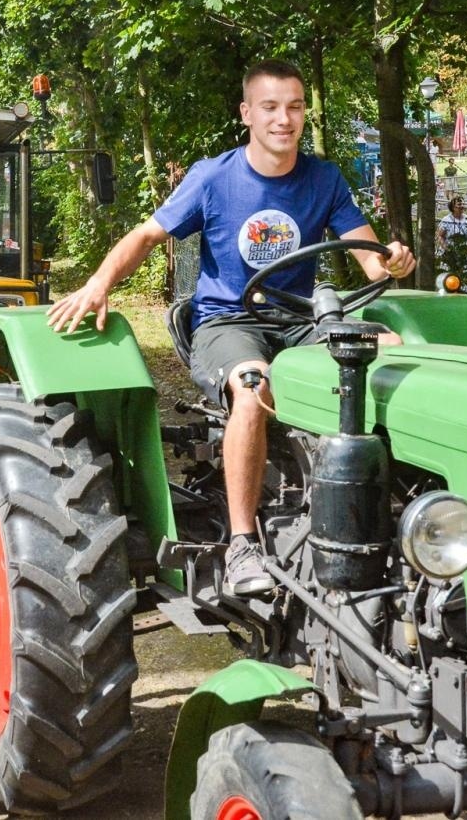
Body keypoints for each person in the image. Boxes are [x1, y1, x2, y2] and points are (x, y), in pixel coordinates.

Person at [46, 60, 416, 598]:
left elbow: (371, 261)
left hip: (299, 319)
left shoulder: (324, 178)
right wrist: (98, 283)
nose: (283, 119)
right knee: (252, 388)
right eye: (270, 107)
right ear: (247, 114)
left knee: (393, 349)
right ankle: (243, 543)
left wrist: (395, 263)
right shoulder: (214, 177)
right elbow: (147, 236)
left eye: (294, 106)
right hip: (228, 320)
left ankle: (396, 509)